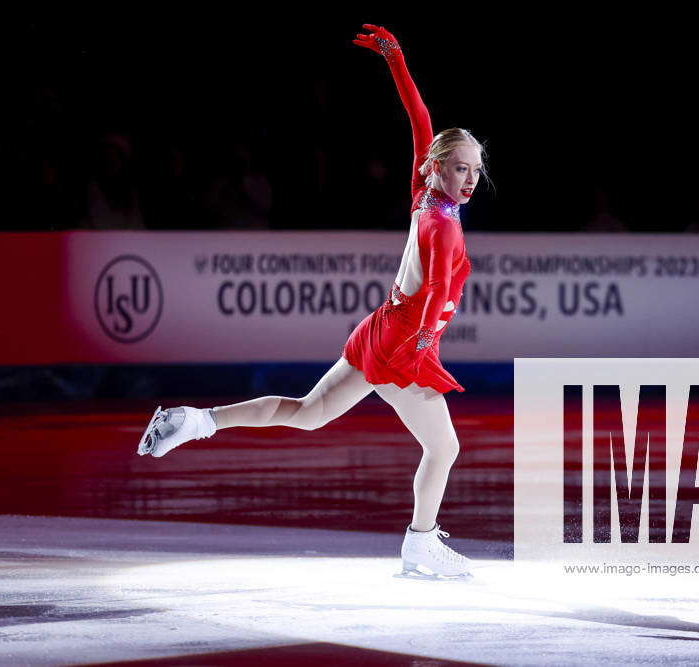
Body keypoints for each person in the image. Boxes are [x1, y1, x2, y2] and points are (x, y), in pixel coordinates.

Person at [136, 24, 486, 579]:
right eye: (460, 167)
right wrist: (422, 345)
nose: (468, 179)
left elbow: (420, 120)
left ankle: (197, 421)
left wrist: (396, 61)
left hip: (380, 330)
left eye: (474, 170)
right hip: (402, 346)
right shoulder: (441, 223)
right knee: (443, 449)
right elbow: (440, 285)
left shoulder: (425, 195)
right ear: (436, 167)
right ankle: (420, 543)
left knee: (308, 413)